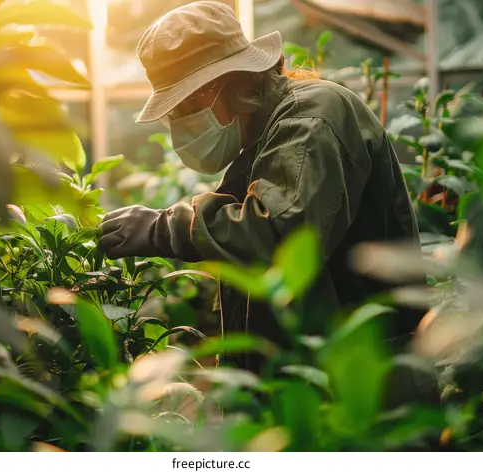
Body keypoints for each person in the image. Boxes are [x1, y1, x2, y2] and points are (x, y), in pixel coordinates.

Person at [98, 1, 427, 376]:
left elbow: (282, 235)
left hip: (366, 383)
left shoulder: (311, 118)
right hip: (324, 375)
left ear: (229, 85)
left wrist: (166, 228)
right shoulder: (266, 138)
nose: (180, 123)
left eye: (186, 106)